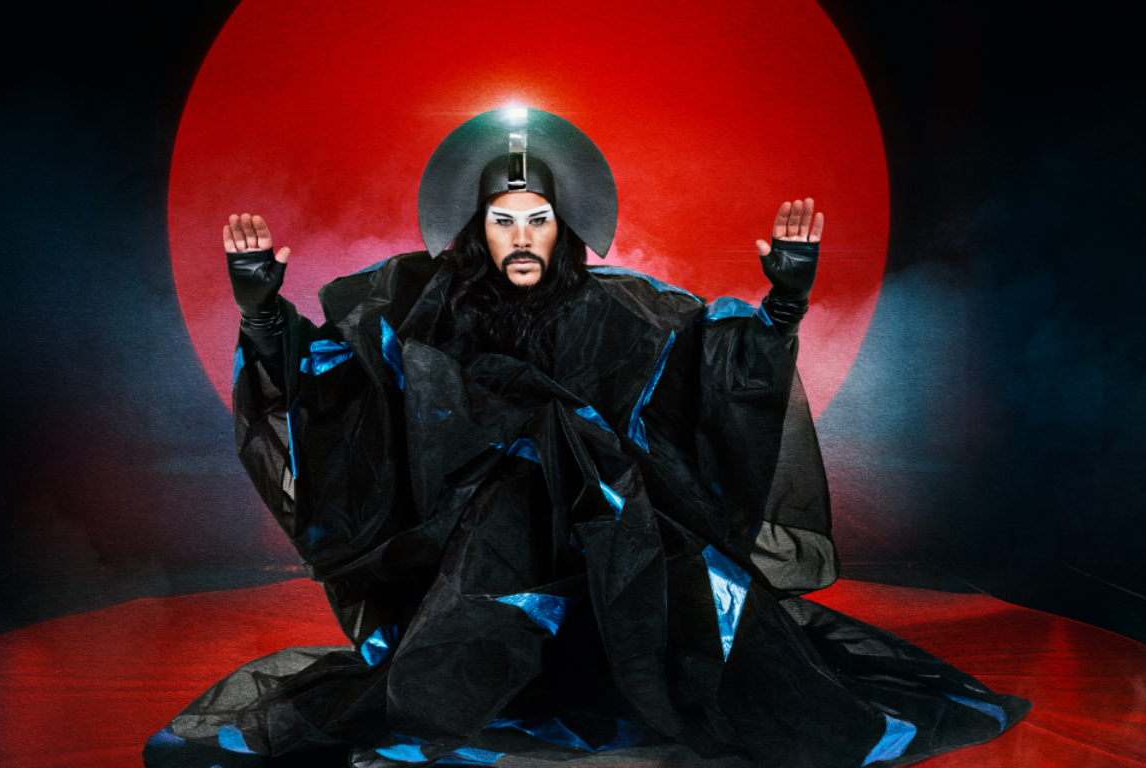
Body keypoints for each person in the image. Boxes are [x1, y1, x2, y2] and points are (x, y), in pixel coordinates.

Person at [145, 109, 1028, 768]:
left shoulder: (622, 307)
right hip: (475, 546)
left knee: (724, 631)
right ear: (477, 228)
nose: (521, 236)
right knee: (508, 503)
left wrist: (785, 304)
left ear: (562, 224)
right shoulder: (420, 303)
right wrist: (263, 313)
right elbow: (336, 380)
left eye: (537, 218)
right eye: (503, 220)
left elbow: (715, 374)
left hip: (617, 537)